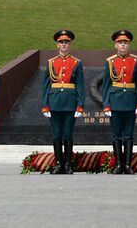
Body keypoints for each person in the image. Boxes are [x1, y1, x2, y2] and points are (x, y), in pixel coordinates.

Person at [41, 29, 86, 174]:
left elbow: (80, 85)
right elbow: (46, 85)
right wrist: (45, 105)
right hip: (54, 102)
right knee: (56, 135)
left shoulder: (76, 63)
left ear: (70, 44)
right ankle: (58, 163)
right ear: (57, 45)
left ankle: (67, 164)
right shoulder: (51, 63)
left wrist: (80, 105)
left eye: (66, 42)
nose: (64, 45)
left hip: (69, 102)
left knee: (67, 134)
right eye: (61, 42)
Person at [101, 29, 137, 174]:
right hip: (115, 101)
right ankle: (119, 164)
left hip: (131, 101)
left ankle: (128, 165)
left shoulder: (136, 61)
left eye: (125, 43)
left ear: (129, 44)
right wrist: (106, 105)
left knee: (129, 135)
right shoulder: (110, 61)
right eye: (120, 43)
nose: (123, 45)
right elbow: (106, 85)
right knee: (116, 135)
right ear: (115, 45)